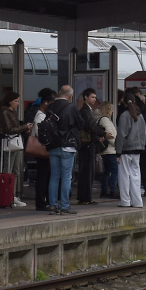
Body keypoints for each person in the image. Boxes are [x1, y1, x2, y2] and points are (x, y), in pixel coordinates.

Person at [41, 85, 82, 214]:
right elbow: (81, 124)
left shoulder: (50, 107)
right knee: (66, 177)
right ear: (70, 95)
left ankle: (52, 205)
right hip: (67, 145)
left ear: (59, 93)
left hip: (53, 145)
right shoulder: (71, 107)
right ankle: (64, 205)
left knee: (54, 176)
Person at [0, 90, 30, 208]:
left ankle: (12, 195)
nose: (18, 103)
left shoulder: (11, 112)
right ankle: (8, 195)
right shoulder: (5, 112)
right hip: (10, 142)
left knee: (15, 170)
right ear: (10, 101)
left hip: (14, 142)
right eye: (16, 101)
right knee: (9, 169)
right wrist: (25, 127)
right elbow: (9, 129)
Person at [114, 98, 146, 207]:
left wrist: (118, 152)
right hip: (137, 149)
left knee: (124, 176)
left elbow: (121, 135)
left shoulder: (124, 116)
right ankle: (137, 201)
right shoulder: (140, 115)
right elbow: (143, 132)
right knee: (136, 176)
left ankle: (125, 200)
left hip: (126, 149)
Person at [75, 88, 99, 205]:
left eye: (95, 97)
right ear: (86, 97)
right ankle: (85, 197)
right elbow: (91, 126)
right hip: (87, 144)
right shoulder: (85, 111)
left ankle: (85, 196)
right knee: (87, 171)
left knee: (87, 171)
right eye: (92, 97)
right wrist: (102, 133)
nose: (94, 99)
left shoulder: (87, 110)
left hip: (87, 144)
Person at [95, 101, 119, 198]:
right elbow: (110, 135)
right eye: (111, 109)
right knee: (114, 171)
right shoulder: (105, 120)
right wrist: (118, 146)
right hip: (110, 150)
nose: (112, 111)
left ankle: (104, 191)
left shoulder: (99, 119)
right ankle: (112, 190)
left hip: (105, 151)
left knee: (106, 171)